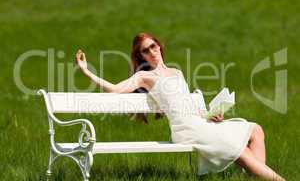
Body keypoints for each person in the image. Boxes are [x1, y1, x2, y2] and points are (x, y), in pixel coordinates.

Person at [75, 33, 285, 180]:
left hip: (200, 121)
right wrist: (86, 71)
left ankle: (257, 176)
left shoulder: (176, 72)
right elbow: (114, 89)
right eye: (145, 51)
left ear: (159, 46)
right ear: (142, 57)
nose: (151, 51)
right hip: (185, 129)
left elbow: (188, 103)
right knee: (238, 149)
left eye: (153, 46)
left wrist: (211, 115)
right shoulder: (144, 76)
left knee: (255, 129)